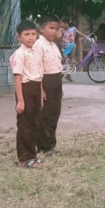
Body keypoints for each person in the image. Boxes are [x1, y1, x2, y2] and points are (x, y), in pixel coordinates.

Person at [9, 19, 43, 168]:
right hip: (25, 89)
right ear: (19, 37)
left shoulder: (36, 52)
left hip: (36, 87)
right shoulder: (19, 54)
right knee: (25, 124)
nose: (30, 37)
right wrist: (20, 100)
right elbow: (18, 77)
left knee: (35, 123)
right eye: (26, 34)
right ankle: (23, 158)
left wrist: (41, 94)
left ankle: (32, 155)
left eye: (33, 34)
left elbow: (40, 75)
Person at [35, 15, 63, 156]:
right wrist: (41, 90)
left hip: (56, 80)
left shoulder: (53, 44)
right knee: (45, 115)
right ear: (41, 29)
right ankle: (44, 146)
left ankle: (51, 144)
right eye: (50, 28)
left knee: (54, 113)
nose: (54, 32)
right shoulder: (39, 45)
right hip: (46, 81)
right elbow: (38, 69)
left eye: (56, 29)